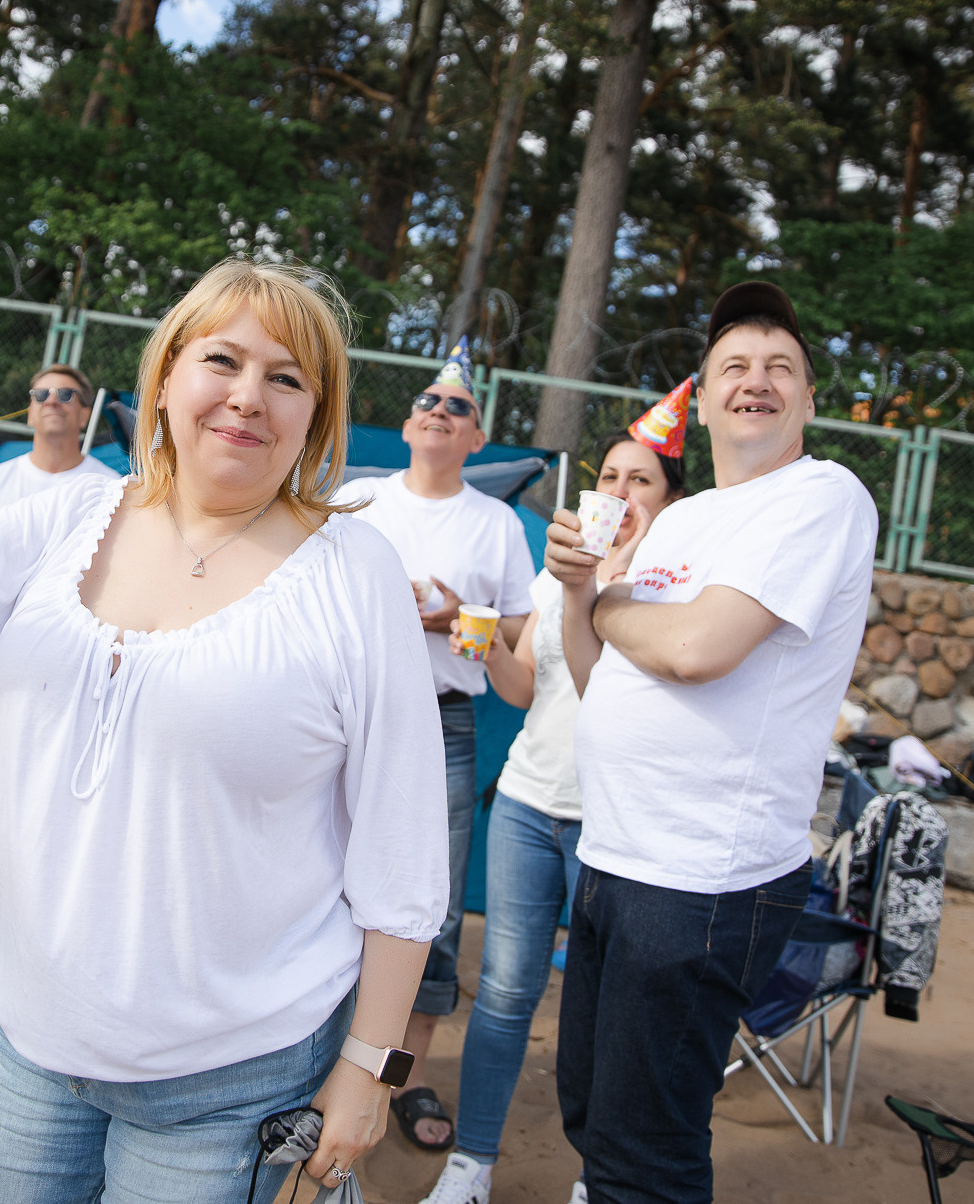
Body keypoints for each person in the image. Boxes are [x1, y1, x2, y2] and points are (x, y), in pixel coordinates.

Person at [0, 260, 448, 1200]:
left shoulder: (354, 571)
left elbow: (404, 847)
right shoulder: (68, 517)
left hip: (237, 1080)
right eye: (222, 360)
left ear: (318, 413)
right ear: (168, 373)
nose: (247, 397)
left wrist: (366, 1066)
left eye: (287, 377)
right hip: (32, 1046)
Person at [545, 283, 876, 1202]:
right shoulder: (682, 521)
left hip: (703, 875)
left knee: (645, 1151)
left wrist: (610, 606)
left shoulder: (821, 496)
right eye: (736, 365)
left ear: (809, 399)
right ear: (705, 394)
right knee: (592, 1113)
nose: (757, 381)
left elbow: (696, 648)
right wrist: (579, 593)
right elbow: (594, 677)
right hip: (617, 853)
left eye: (781, 368)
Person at [419, 416, 689, 1204]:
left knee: (605, 1009)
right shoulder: (552, 575)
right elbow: (523, 689)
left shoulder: (671, 583)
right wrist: (480, 638)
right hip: (529, 806)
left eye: (641, 480)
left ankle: (594, 1178)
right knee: (503, 991)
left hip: (616, 822)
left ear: (670, 500)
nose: (620, 492)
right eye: (610, 477)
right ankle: (470, 1165)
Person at [330, 340, 536, 1153]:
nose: (437, 412)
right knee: (323, 874)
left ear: (477, 439)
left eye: (457, 407)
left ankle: (402, 1075)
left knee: (432, 902)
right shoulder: (361, 500)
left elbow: (521, 627)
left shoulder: (496, 524)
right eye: (427, 402)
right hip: (352, 710)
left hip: (445, 717)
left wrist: (457, 620)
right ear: (409, 423)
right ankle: (314, 1050)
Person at [0, 361, 117, 517]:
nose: (51, 401)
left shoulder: (110, 486)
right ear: (30, 414)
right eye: (41, 394)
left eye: (65, 394)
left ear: (84, 415)